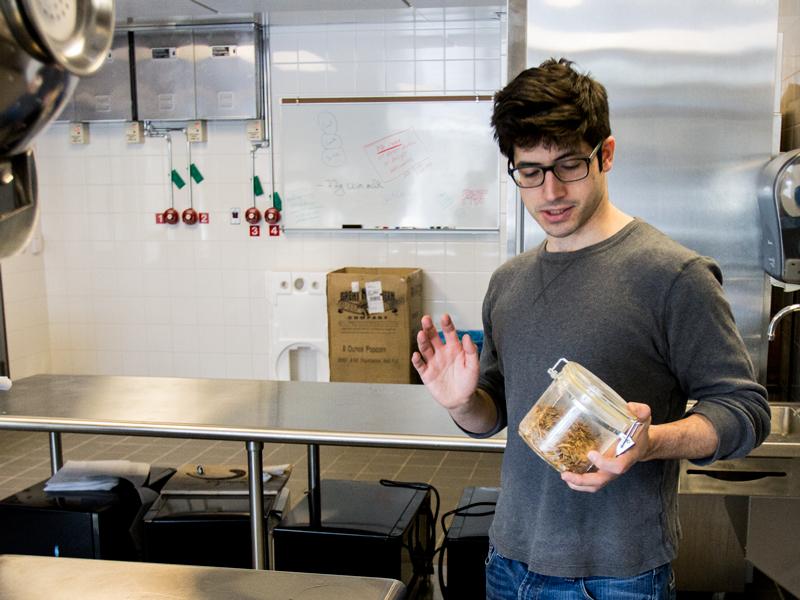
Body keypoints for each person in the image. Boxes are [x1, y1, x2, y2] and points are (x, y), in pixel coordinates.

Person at [411, 58, 771, 600]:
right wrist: (462, 403)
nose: (549, 192)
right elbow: (494, 413)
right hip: (509, 560)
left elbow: (745, 412)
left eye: (569, 166)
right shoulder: (508, 282)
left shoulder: (673, 276)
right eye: (529, 170)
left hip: (617, 575)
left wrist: (649, 443)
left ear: (606, 153)